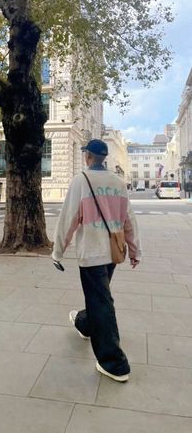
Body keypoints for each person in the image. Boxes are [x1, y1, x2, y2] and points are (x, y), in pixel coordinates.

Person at [52, 139, 141, 382]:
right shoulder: (118, 182)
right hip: (114, 251)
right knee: (99, 295)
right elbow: (129, 220)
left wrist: (57, 252)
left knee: (101, 300)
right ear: (104, 158)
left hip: (91, 252)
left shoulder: (81, 180)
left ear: (88, 156)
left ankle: (114, 363)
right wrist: (135, 251)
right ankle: (84, 323)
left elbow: (68, 218)